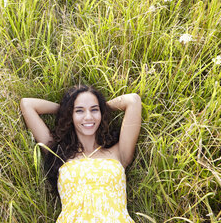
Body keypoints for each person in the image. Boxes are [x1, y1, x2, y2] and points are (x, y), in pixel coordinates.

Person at [20, 85, 142, 222]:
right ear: (70, 115)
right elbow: (27, 104)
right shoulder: (59, 154)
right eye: (79, 111)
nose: (88, 117)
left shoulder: (118, 153)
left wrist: (103, 107)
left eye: (94, 110)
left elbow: (133, 101)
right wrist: (65, 109)